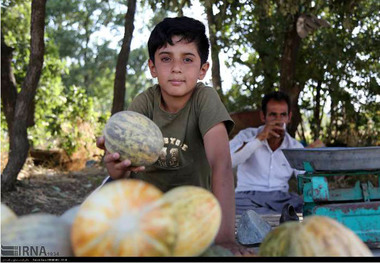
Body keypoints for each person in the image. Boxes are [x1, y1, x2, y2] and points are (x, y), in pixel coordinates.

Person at [96, 17, 254, 256]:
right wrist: (117, 170)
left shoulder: (205, 100)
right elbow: (123, 172)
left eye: (187, 59)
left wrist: (224, 238)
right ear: (152, 67)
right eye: (166, 58)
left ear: (203, 69)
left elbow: (221, 164)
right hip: (146, 215)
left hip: (194, 213)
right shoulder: (145, 102)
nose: (176, 67)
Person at [229, 91, 304, 215]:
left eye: (283, 115)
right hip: (246, 197)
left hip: (281, 198)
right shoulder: (246, 135)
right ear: (263, 117)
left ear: (289, 117)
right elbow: (228, 161)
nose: (278, 121)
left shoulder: (294, 146)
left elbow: (306, 176)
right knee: (230, 208)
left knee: (308, 208)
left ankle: (269, 217)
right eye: (273, 115)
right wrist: (259, 139)